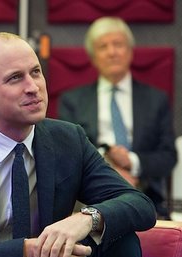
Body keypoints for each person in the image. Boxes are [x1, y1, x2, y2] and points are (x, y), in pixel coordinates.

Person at [0, 32, 156, 257]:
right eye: (15, 78)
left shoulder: (70, 139)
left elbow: (140, 204)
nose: (33, 87)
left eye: (36, 72)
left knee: (122, 242)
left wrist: (86, 219)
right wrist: (29, 251)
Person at [59, 16, 177, 220]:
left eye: (118, 44)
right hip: (89, 200)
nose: (112, 52)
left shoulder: (155, 99)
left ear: (130, 51)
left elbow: (168, 156)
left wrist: (132, 162)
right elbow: (67, 154)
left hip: (147, 196)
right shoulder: (72, 101)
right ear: (93, 56)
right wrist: (110, 171)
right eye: (103, 46)